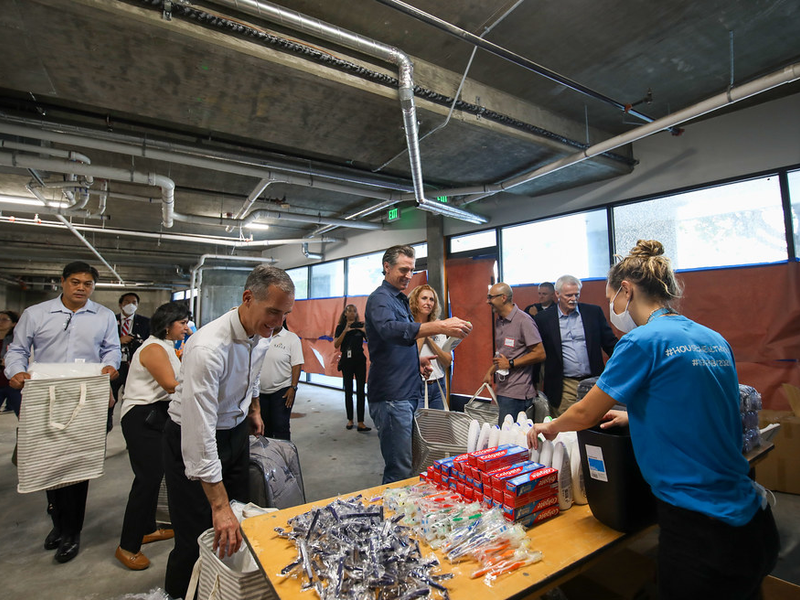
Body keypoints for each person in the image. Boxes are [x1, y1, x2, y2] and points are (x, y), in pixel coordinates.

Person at [527, 240, 779, 600]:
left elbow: (585, 412)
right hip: (751, 522)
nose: (613, 308)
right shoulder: (712, 338)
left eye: (612, 296)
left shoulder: (642, 341)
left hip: (699, 529)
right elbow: (704, 408)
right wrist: (636, 418)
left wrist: (548, 426)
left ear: (626, 290)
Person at [162, 265, 294, 600]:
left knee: (237, 524)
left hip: (234, 432)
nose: (278, 323)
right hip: (192, 436)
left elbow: (250, 375)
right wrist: (218, 505)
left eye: (285, 314)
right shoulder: (207, 347)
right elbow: (198, 429)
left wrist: (252, 409)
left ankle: (220, 589)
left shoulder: (261, 334)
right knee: (198, 533)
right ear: (248, 298)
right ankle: (179, 593)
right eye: (273, 312)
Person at [4, 261, 120, 563]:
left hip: (85, 397)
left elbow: (111, 349)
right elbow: (16, 350)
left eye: (88, 284)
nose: (81, 288)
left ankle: (72, 532)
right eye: (75, 282)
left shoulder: (104, 316)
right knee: (46, 459)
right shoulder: (36, 314)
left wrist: (112, 365)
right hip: (45, 397)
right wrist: (16, 372)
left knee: (77, 464)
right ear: (62, 282)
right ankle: (57, 520)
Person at [365, 245, 472, 484]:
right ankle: (394, 517)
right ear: (386, 267)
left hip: (408, 392)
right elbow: (390, 331)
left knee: (413, 460)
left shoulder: (400, 300)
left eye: (412, 270)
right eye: (403, 269)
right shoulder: (380, 299)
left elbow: (398, 344)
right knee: (400, 468)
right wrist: (439, 326)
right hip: (392, 396)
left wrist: (417, 360)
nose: (408, 275)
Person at [115, 301, 191, 571]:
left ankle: (147, 528)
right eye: (182, 322)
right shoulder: (154, 348)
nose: (186, 327)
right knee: (146, 480)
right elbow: (171, 385)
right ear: (167, 325)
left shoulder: (168, 347)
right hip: (141, 417)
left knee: (155, 475)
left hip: (156, 415)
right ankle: (128, 545)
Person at [534, 274, 617, 416]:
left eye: (576, 295)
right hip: (564, 384)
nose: (573, 299)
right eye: (568, 295)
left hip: (594, 381)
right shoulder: (544, 319)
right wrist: (534, 383)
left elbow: (610, 343)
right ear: (557, 294)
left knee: (596, 421)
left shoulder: (593, 313)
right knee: (567, 427)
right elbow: (537, 351)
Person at [483, 282, 546, 425]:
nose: (487, 301)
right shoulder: (500, 321)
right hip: (503, 390)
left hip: (518, 393)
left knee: (512, 442)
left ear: (503, 298)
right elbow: (505, 352)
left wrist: (511, 364)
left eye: (490, 297)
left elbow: (540, 353)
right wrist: (491, 371)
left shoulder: (524, 321)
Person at [110, 292, 151, 431]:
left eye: (134, 302)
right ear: (120, 305)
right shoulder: (110, 320)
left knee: (131, 400)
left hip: (135, 366)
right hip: (115, 366)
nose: (130, 305)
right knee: (110, 400)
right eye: (127, 302)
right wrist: (119, 341)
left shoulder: (145, 322)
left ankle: (130, 430)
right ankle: (106, 427)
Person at [258, 320, 304, 441]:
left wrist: (293, 387)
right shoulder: (260, 336)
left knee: (280, 427)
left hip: (282, 391)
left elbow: (297, 364)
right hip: (259, 391)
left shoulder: (291, 338)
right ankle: (268, 457)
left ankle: (284, 457)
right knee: (263, 428)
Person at [408, 284, 450, 410]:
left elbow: (447, 361)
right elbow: (410, 357)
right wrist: (424, 331)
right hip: (416, 385)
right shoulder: (408, 325)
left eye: (431, 299)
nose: (428, 303)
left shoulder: (439, 326)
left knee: (437, 426)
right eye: (424, 298)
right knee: (418, 427)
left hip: (438, 384)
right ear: (415, 301)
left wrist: (431, 339)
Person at [333, 304, 369, 431]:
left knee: (360, 391)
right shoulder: (340, 327)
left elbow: (370, 341)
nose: (352, 313)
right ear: (345, 314)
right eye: (350, 311)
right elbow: (336, 344)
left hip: (359, 361)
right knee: (348, 390)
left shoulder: (360, 326)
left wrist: (365, 331)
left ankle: (361, 422)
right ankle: (350, 419)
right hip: (346, 362)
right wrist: (345, 330)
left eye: (355, 311)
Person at [0, 310, 21, 416]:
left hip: (13, 382)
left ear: (14, 324)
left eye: (4, 320)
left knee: (22, 415)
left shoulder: (17, 340)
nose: (0, 322)